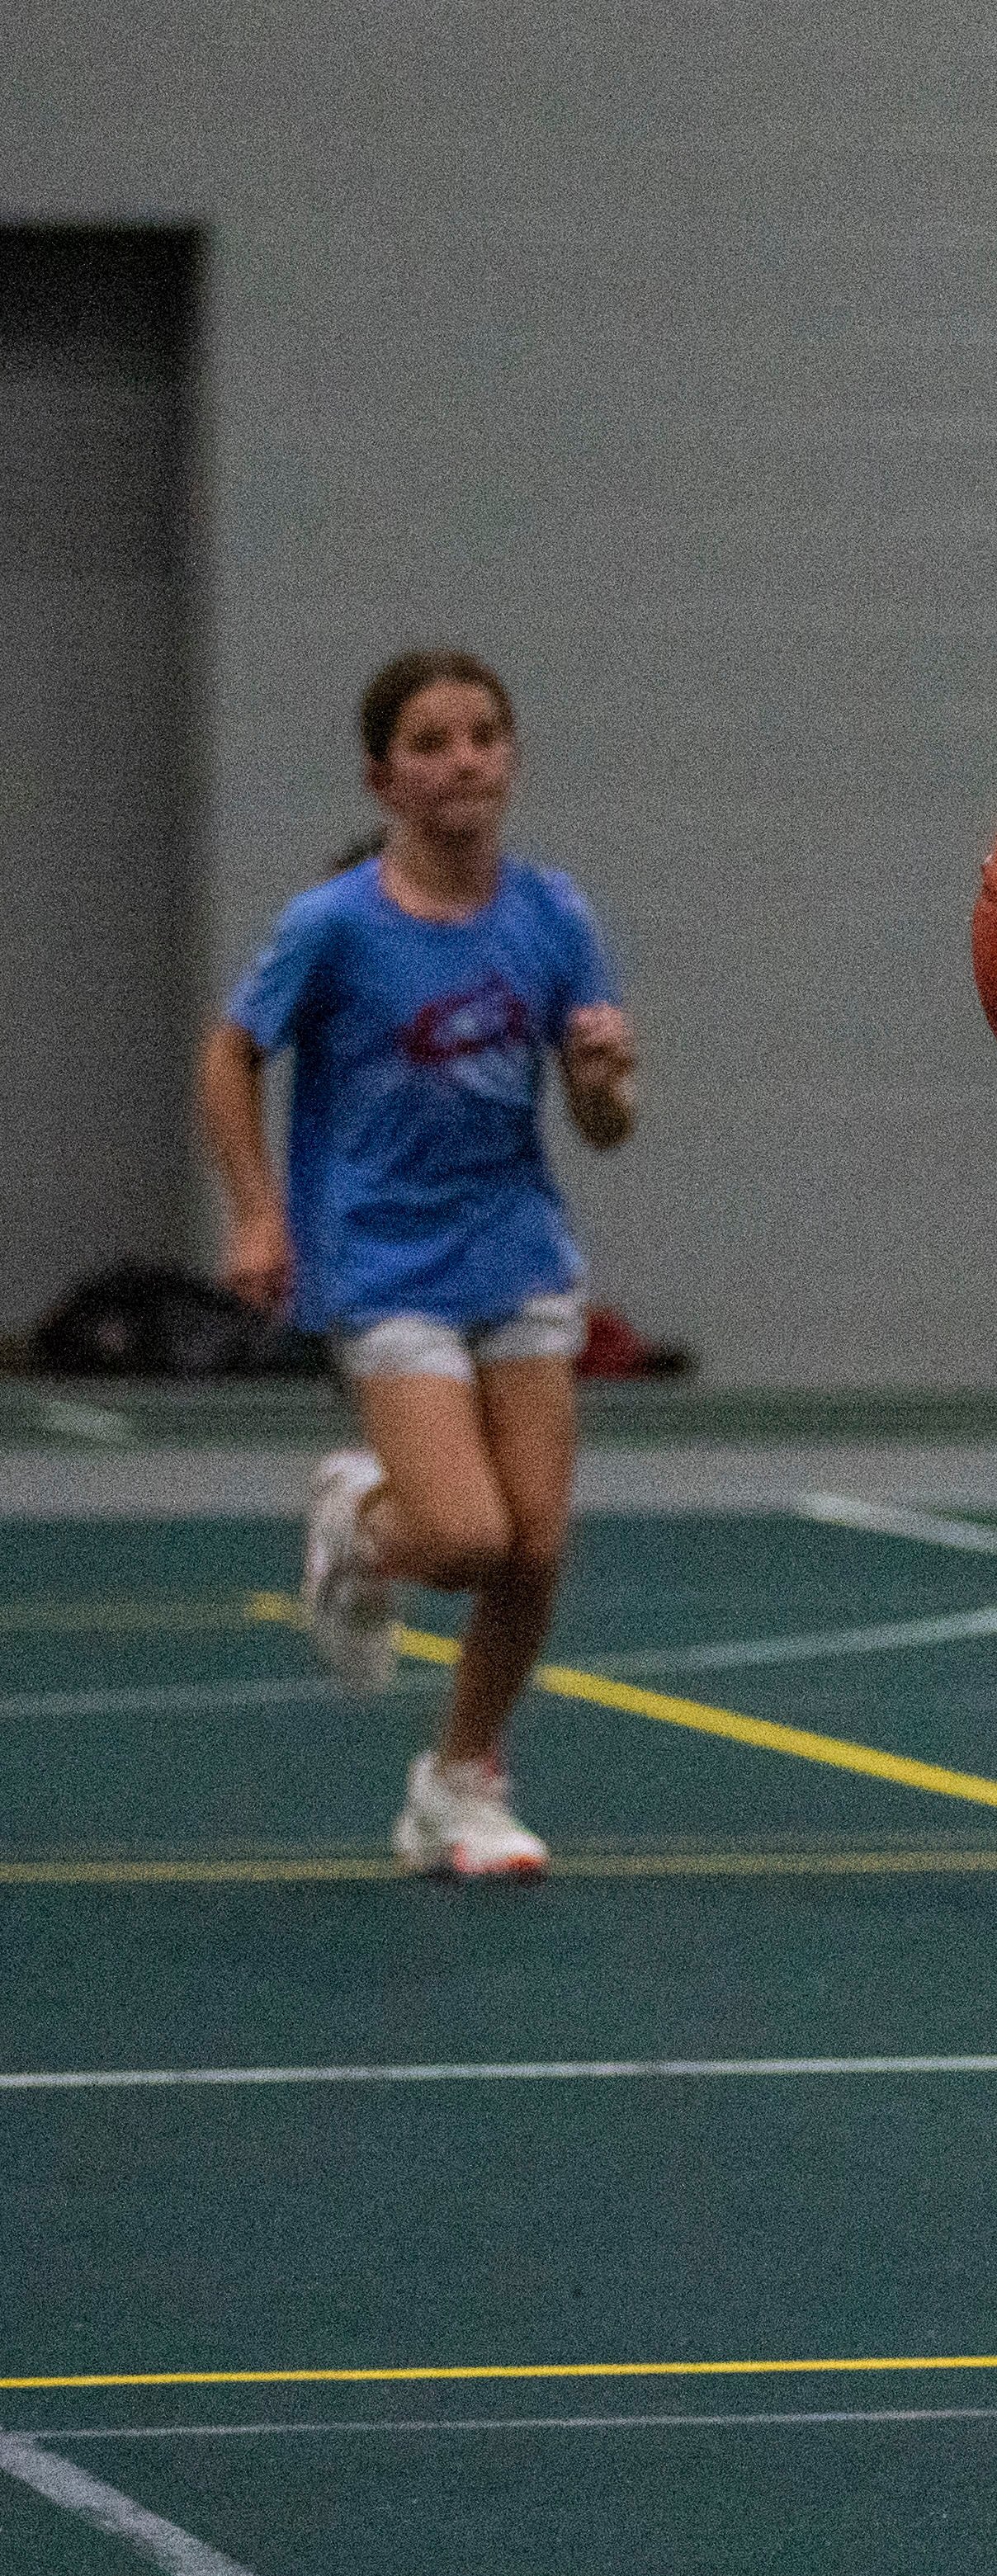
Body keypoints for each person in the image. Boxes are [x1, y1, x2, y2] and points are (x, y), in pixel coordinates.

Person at [198, 649, 637, 1878]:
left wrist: (606, 1082)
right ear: (384, 776)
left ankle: (461, 1781)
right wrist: (256, 1212)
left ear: (511, 757)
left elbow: (604, 1122)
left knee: (536, 1547)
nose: (464, 761)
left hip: (517, 1251)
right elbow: (230, 1053)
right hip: (383, 1256)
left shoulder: (552, 915)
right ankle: (361, 1517)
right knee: (460, 1537)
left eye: (484, 735)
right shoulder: (334, 926)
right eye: (434, 742)